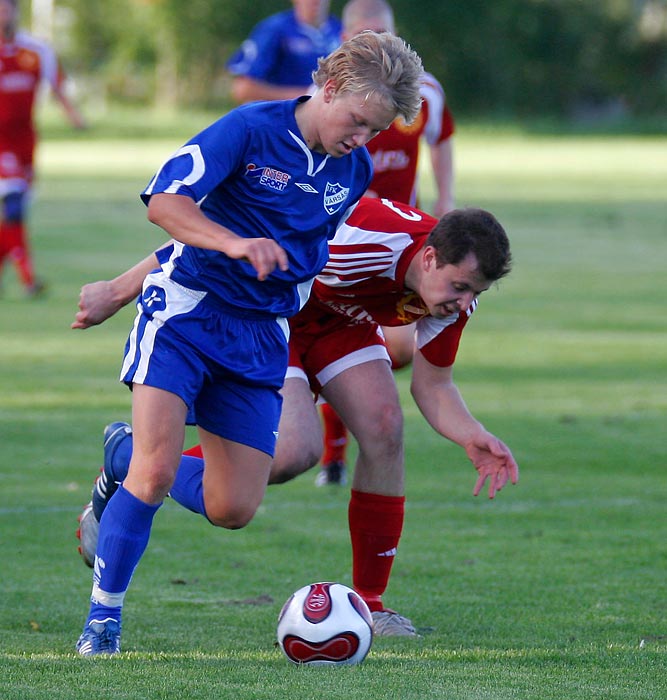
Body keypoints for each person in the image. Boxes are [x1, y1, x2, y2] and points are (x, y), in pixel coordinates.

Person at [72, 30, 423, 657]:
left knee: (232, 508)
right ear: (330, 87)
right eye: (359, 121)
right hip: (186, 314)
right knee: (156, 475)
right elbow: (166, 205)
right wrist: (154, 277)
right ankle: (103, 623)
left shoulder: (353, 168)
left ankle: (120, 458)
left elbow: (313, 256)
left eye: (375, 130)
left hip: (263, 338)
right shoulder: (248, 130)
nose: (362, 138)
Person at [74, 196, 519, 639]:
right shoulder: (358, 238)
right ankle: (131, 458)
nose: (464, 302)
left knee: (385, 426)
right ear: (429, 257)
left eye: (475, 293)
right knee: (292, 452)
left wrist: (471, 435)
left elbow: (434, 386)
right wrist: (119, 288)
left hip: (339, 327)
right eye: (460, 288)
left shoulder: (453, 296)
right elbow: (214, 236)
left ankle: (371, 605)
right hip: (271, 321)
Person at [317, 0, 458, 486]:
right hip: (344, 235)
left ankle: (333, 440)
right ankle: (330, 451)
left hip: (409, 246)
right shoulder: (330, 98)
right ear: (347, 38)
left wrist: (447, 201)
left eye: (386, 33)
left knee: (391, 352)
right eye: (368, 34)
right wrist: (356, 199)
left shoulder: (424, 94)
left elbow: (440, 140)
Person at [0, 0, 85, 297]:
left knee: (17, 210)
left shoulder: (35, 50)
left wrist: (75, 117)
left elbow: (58, 85)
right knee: (13, 206)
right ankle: (29, 280)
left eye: (5, 7)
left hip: (25, 142)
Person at [226, 0, 341, 104]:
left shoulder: (342, 31)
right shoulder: (274, 30)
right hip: (284, 119)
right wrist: (306, 96)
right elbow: (243, 89)